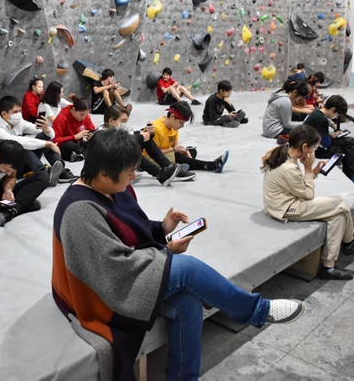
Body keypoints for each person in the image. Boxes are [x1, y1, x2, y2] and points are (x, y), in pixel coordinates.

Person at [52, 128, 305, 380]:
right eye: (129, 173)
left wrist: (161, 229)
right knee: (186, 268)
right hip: (100, 292)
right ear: (104, 174)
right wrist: (165, 252)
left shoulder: (112, 186)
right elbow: (109, 270)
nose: (134, 176)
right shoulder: (80, 212)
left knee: (188, 304)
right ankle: (257, 311)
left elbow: (128, 228)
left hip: (122, 271)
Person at [261, 125, 354, 280]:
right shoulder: (288, 167)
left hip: (284, 202)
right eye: (314, 148)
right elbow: (308, 194)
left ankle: (329, 267)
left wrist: (315, 171)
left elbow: (297, 186)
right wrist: (308, 168)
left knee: (337, 216)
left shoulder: (284, 153)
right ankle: (349, 243)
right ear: (305, 147)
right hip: (285, 208)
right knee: (340, 202)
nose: (314, 152)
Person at [0, 96, 77, 185]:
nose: (19, 114)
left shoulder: (19, 122)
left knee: (43, 135)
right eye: (15, 112)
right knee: (21, 146)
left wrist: (46, 129)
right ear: (4, 114)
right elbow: (19, 142)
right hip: (11, 168)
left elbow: (45, 133)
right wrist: (48, 144)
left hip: (25, 163)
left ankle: (61, 172)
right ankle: (43, 173)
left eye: (20, 111)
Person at [101, 105, 195, 185]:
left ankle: (168, 167)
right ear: (111, 121)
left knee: (146, 139)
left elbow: (134, 134)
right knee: (130, 149)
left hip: (121, 163)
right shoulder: (101, 132)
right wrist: (141, 136)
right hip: (110, 168)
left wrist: (148, 132)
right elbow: (119, 144)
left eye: (126, 121)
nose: (125, 124)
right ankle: (159, 173)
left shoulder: (118, 130)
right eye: (123, 121)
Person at [303, 95, 354, 187]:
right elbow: (326, 144)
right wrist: (332, 137)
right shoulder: (321, 119)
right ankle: (353, 175)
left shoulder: (317, 113)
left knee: (351, 142)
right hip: (314, 149)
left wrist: (333, 135)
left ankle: (353, 174)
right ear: (333, 110)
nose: (335, 117)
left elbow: (322, 136)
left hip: (315, 143)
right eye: (337, 115)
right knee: (344, 149)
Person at [150, 101, 230, 173]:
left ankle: (180, 167)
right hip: (152, 158)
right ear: (172, 117)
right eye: (181, 123)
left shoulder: (173, 126)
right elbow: (153, 153)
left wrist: (183, 150)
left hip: (167, 154)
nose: (182, 126)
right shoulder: (156, 129)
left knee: (192, 151)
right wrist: (174, 150)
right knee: (177, 156)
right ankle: (212, 165)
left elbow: (175, 145)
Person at [52, 95, 96, 162]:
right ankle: (85, 154)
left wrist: (91, 136)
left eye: (86, 114)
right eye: (81, 114)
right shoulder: (61, 118)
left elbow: (92, 130)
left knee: (96, 142)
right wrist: (74, 137)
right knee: (69, 145)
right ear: (73, 109)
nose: (84, 117)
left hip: (79, 143)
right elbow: (55, 140)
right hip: (65, 145)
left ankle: (82, 154)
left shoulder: (85, 116)